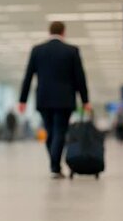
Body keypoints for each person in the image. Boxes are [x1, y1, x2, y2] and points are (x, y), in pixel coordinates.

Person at [19, 21, 90, 179]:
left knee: (50, 131)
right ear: (63, 32)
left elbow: (28, 76)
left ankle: (54, 164)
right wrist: (85, 100)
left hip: (43, 98)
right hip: (65, 99)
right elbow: (80, 77)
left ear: (49, 31)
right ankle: (55, 165)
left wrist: (22, 100)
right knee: (59, 131)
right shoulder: (71, 51)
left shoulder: (37, 50)